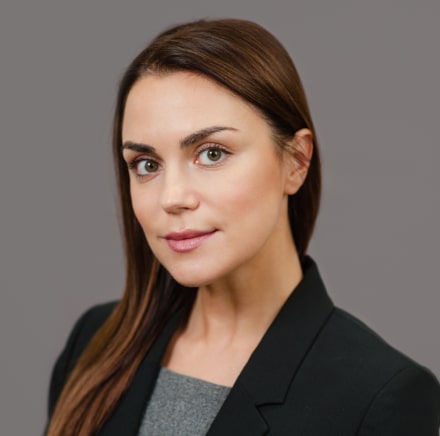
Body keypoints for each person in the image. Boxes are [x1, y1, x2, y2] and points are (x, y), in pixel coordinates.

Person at [45, 18, 440, 436]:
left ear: (296, 162)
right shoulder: (95, 344)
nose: (172, 197)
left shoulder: (380, 398)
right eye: (146, 164)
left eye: (212, 154)